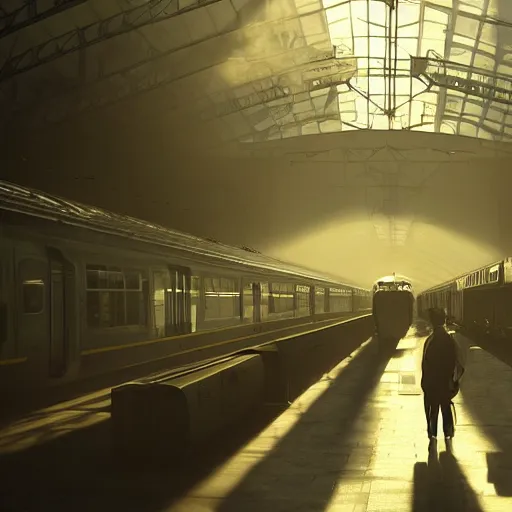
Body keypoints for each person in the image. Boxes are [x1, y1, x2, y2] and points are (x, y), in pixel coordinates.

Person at [421, 307, 465, 448]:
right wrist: (455, 381)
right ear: (444, 321)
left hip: (432, 384)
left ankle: (432, 434)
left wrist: (425, 383)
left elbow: (425, 365)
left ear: (432, 323)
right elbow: (460, 363)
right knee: (446, 408)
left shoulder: (430, 341)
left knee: (432, 410)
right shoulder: (450, 340)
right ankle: (448, 433)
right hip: (446, 383)